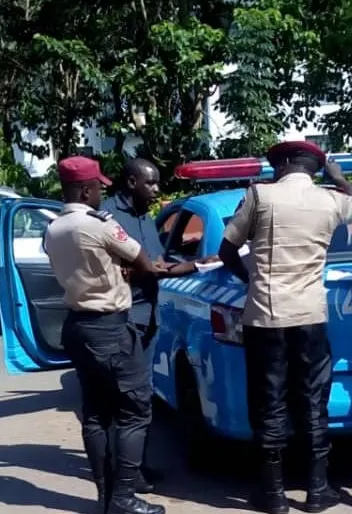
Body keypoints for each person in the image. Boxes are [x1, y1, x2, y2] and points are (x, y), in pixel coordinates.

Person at [218, 141, 352, 514]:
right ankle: (317, 491)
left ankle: (273, 495)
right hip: (311, 316)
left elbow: (227, 250)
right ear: (314, 168)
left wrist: (250, 281)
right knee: (313, 401)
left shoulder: (260, 195)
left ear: (282, 163)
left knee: (269, 403)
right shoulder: (331, 201)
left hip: (265, 317)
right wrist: (339, 177)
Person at [43, 156, 167, 514]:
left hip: (78, 326)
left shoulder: (53, 228)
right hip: (110, 326)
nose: (102, 192)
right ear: (85, 190)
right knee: (134, 410)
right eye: (98, 186)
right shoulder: (99, 224)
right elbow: (143, 260)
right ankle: (125, 498)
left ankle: (106, 497)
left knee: (96, 413)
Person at [100, 157, 217, 492]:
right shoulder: (108, 217)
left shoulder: (144, 216)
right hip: (122, 319)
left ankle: (136, 468)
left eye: (157, 183)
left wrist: (198, 264)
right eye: (150, 183)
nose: (156, 190)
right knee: (124, 400)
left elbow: (158, 263)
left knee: (142, 398)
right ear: (131, 182)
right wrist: (153, 270)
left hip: (147, 316)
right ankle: (120, 476)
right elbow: (124, 268)